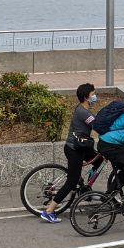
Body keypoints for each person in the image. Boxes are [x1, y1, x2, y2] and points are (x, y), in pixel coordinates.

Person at [40, 83, 102, 223]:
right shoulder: (83, 112)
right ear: (86, 97)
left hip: (82, 146)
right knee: (72, 181)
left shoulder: (82, 108)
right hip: (75, 149)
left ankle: (86, 189)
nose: (95, 96)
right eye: (93, 94)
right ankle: (49, 211)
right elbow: (98, 126)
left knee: (99, 160)